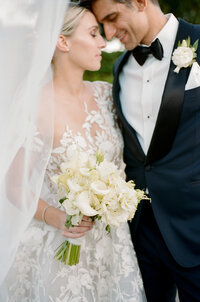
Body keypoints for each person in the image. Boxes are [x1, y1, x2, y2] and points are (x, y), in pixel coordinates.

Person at [0, 4, 146, 302]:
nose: (103, 43)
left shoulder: (106, 94)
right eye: (93, 34)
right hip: (62, 248)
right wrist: (57, 217)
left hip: (113, 245)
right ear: (62, 42)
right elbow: (14, 186)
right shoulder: (34, 108)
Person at [80, 0, 200, 301]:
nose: (108, 33)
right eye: (101, 25)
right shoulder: (120, 68)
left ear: (140, 2)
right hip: (139, 237)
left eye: (112, 18)